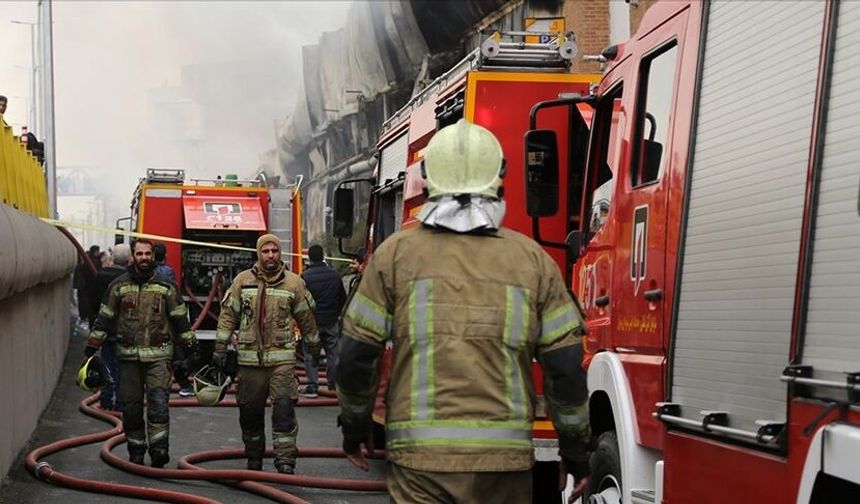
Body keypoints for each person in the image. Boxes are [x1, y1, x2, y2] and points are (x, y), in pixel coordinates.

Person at [336, 120, 592, 503]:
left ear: (426, 180)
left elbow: (356, 357)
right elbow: (566, 367)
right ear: (500, 178)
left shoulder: (395, 256)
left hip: (421, 464)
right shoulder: (532, 261)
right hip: (503, 466)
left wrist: (354, 429)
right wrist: (575, 452)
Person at [84, 238, 199, 467]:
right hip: (128, 358)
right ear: (132, 257)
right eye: (140, 254)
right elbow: (104, 318)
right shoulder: (118, 286)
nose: (144, 258)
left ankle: (159, 450)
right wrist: (91, 348)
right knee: (131, 408)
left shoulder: (166, 286)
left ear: (153, 256)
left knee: (158, 405)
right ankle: (136, 450)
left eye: (148, 254)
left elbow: (179, 321)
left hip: (159, 356)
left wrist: (191, 350)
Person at [214, 234, 320, 474]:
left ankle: (285, 461)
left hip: (282, 361)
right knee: (250, 414)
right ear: (258, 253)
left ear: (279, 253)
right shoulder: (242, 281)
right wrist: (220, 347)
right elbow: (228, 315)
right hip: (249, 362)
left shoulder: (294, 284)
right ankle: (254, 457)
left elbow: (306, 319)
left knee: (283, 411)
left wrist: (313, 348)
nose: (271, 255)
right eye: (266, 251)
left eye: (274, 250)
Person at [299, 244, 347, 398]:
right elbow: (342, 298)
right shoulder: (335, 275)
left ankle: (313, 385)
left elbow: (301, 302)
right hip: (331, 320)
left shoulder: (305, 277)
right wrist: (337, 315)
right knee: (333, 352)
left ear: (310, 258)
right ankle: (332, 383)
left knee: (310, 353)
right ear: (323, 256)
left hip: (312, 322)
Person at [91, 244, 132, 411]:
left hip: (107, 330)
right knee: (124, 369)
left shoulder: (101, 276)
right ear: (129, 259)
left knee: (106, 366)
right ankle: (121, 404)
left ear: (113, 258)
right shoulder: (129, 278)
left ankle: (106, 401)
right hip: (125, 331)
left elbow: (95, 301)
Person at [152, 242, 193, 396]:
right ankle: (185, 386)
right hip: (168, 320)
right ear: (165, 255)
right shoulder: (167, 272)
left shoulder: (146, 272)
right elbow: (174, 295)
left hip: (153, 320)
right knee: (175, 354)